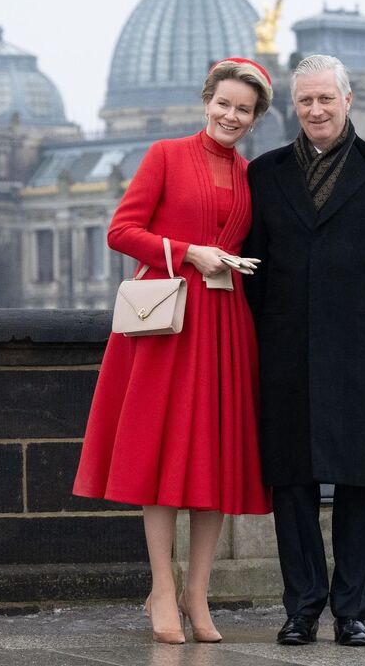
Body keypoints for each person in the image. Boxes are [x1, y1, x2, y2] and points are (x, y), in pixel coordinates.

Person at [74, 58, 273, 645]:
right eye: (224, 104)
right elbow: (121, 231)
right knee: (158, 456)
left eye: (244, 110)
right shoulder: (165, 154)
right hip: (167, 324)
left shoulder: (249, 174)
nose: (231, 116)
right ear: (205, 101)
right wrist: (188, 251)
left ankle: (197, 593)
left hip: (225, 322)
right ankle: (162, 587)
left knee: (216, 457)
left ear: (256, 117)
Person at [243, 54, 365, 647]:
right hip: (285, 349)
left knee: (359, 481)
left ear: (348, 101)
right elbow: (254, 273)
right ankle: (302, 607)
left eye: (326, 99)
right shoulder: (264, 172)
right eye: (305, 101)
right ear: (293, 108)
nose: (316, 110)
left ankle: (353, 609)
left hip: (362, 348)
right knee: (290, 484)